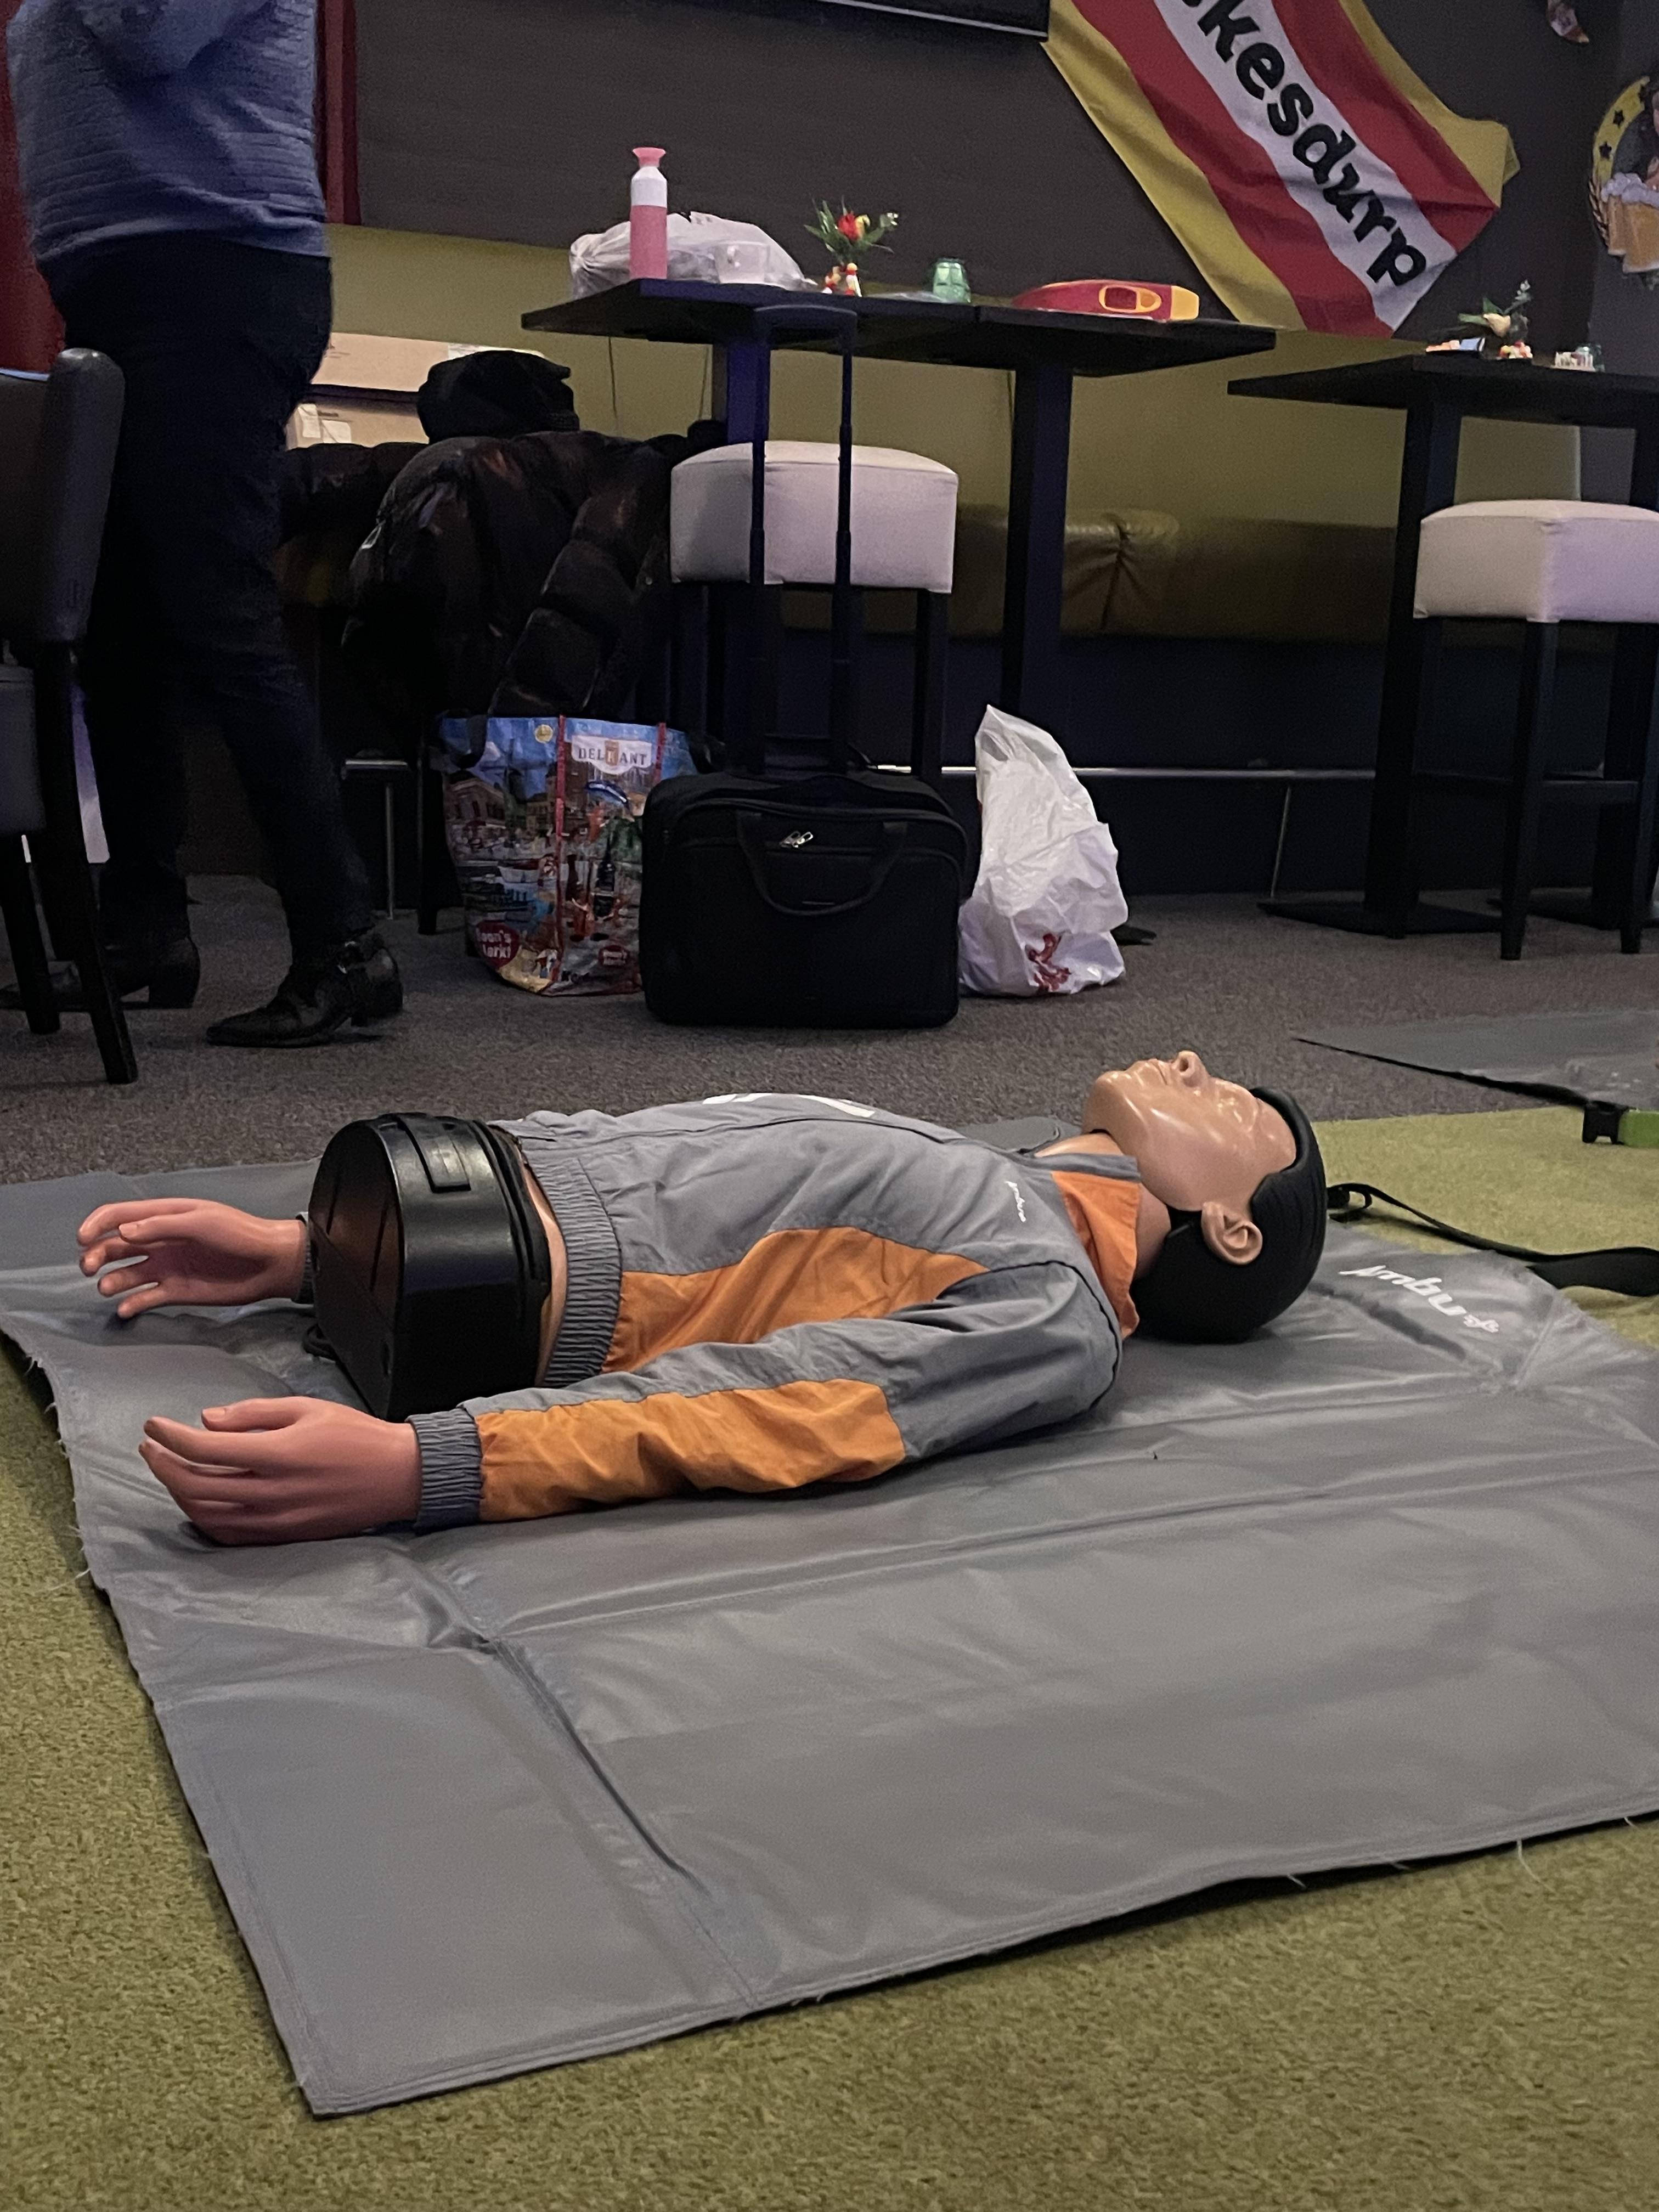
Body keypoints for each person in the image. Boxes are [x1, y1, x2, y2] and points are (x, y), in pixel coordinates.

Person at [75, 1054, 1329, 1545]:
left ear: (1231, 1228)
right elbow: (685, 1165)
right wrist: (309, 1256)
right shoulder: (991, 1173)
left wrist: (431, 1466)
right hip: (451, 1191)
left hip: (501, 1284)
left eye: (1233, 1108)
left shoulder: (1052, 1302)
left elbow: (776, 1406)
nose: (1194, 1064)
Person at [4, 0, 401, 1045]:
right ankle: (144, 930)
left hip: (215, 271)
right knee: (117, 623)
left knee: (217, 612)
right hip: (125, 280)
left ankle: (345, 943)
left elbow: (150, 35)